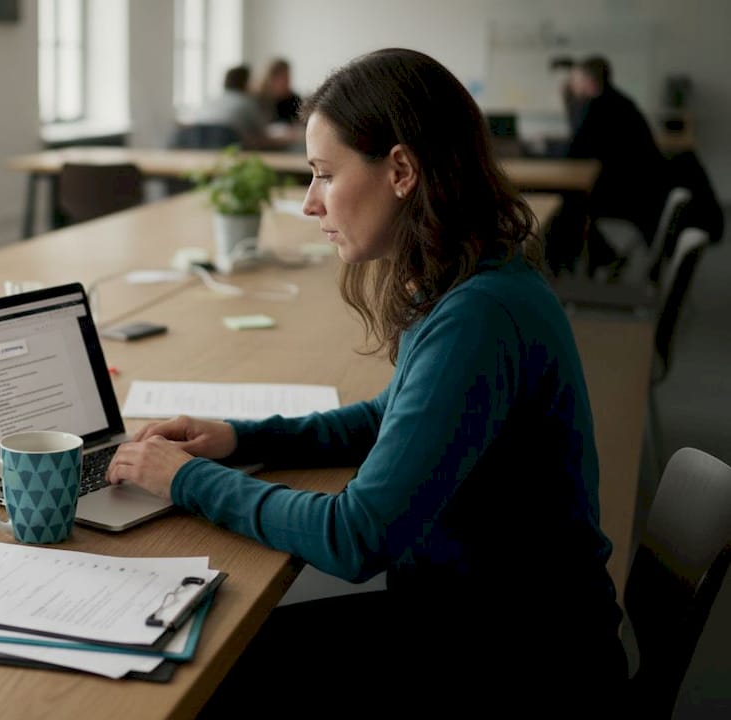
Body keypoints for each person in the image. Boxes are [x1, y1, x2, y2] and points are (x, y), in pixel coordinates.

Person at [106, 48, 625, 713]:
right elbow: (386, 416)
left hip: (517, 662)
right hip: (482, 620)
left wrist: (186, 480)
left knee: (205, 671)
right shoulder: (475, 278)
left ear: (402, 171)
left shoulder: (480, 315)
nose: (309, 202)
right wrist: (238, 438)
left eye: (324, 175)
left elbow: (355, 537)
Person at [567, 55, 669, 270]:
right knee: (575, 200)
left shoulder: (599, 105)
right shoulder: (618, 100)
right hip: (645, 188)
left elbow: (575, 151)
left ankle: (586, 260)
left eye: (576, 79)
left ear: (588, 81)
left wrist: (570, 103)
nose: (572, 84)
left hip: (631, 193)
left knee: (571, 203)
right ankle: (601, 256)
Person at [193, 65, 290, 150]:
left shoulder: (212, 100)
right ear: (246, 82)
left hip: (197, 148)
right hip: (229, 147)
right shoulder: (246, 102)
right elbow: (263, 133)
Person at [257, 58, 300, 125]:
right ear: (271, 78)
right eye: (283, 78)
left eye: (287, 77)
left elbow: (300, 123)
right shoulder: (259, 99)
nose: (287, 82)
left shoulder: (294, 100)